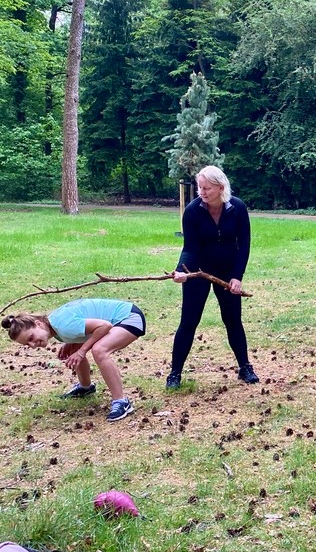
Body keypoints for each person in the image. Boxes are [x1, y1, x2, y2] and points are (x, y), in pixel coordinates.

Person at [166, 165, 259, 389]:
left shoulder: (237, 208)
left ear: (221, 188)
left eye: (207, 188)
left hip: (227, 271)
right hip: (198, 271)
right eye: (200, 187)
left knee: (233, 320)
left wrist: (237, 276)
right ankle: (174, 373)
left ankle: (245, 367)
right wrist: (182, 271)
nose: (202, 192)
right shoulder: (192, 211)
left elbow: (244, 245)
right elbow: (190, 247)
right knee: (188, 321)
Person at [1, 298, 145, 422]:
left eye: (31, 337)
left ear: (38, 323)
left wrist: (81, 351)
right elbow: (87, 326)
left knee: (99, 350)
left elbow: (104, 326)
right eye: (27, 344)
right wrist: (72, 344)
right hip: (119, 318)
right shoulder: (54, 325)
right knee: (74, 350)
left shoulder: (62, 324)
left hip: (129, 317)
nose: (32, 345)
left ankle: (121, 401)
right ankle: (86, 388)